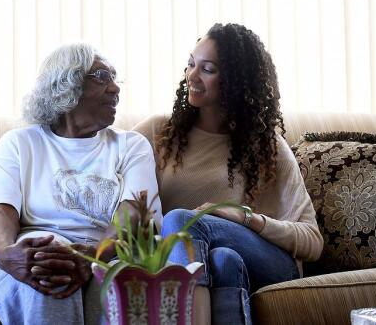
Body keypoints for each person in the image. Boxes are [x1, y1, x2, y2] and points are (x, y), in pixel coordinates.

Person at [0, 43, 160, 324]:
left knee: (62, 272)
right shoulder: (19, 143)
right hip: (21, 248)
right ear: (66, 85)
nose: (115, 88)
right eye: (101, 77)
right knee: (51, 270)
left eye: (114, 78)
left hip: (104, 252)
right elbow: (1, 210)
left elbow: (133, 211)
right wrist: (7, 255)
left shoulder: (131, 146)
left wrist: (96, 256)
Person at [135, 23, 323, 325]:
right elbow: (103, 170)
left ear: (236, 81)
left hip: (270, 263)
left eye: (207, 69)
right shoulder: (158, 133)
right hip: (214, 260)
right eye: (190, 64)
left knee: (182, 221)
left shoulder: (267, 147)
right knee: (223, 260)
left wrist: (245, 218)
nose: (192, 76)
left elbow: (312, 241)